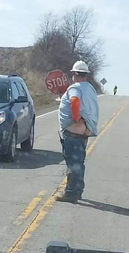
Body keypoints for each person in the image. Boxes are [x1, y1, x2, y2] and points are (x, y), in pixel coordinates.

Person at [57, 61, 99, 203]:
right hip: (85, 130)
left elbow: (74, 101)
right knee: (79, 162)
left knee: (73, 163)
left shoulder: (75, 88)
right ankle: (77, 190)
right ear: (86, 74)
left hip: (75, 130)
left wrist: (75, 117)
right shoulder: (90, 89)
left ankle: (71, 193)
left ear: (75, 74)